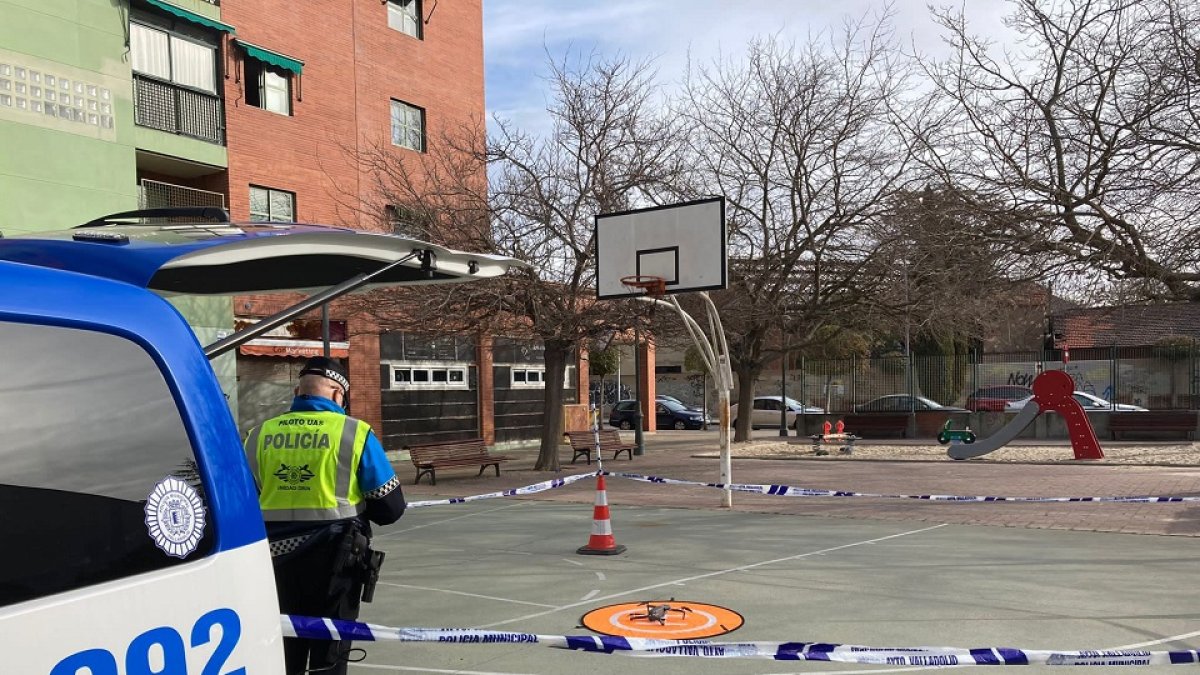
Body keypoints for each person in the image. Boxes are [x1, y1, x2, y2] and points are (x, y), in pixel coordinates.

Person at [244, 356, 406, 675]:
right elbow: (391, 508)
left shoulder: (257, 435)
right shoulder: (354, 433)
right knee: (328, 656)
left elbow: (244, 501)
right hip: (337, 566)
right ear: (336, 394)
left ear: (297, 391)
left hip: (275, 566)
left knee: (283, 650)